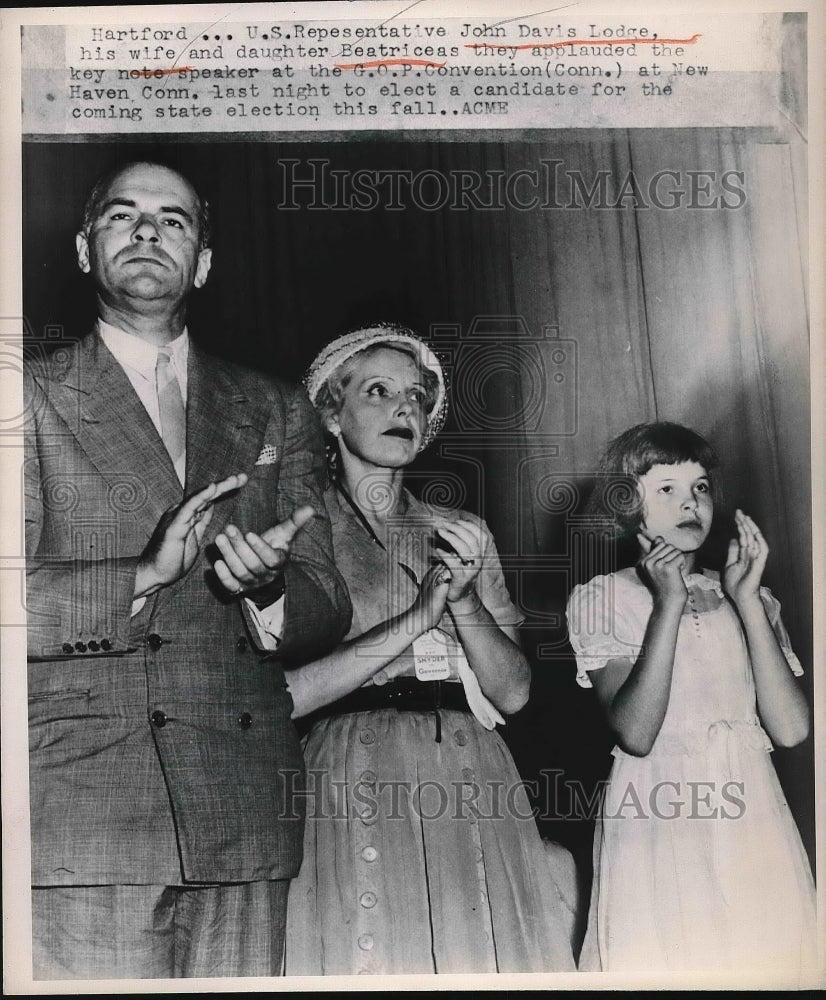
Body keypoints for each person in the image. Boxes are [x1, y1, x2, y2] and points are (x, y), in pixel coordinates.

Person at [24, 160, 351, 979]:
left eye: (173, 220)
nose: (146, 232)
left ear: (202, 261)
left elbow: (329, 605)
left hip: (242, 804)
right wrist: (139, 575)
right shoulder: (22, 397)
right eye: (122, 216)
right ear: (82, 248)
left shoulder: (276, 407)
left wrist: (270, 589)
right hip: (85, 807)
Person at [282, 325, 577, 975]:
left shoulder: (462, 532)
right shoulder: (295, 531)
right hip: (350, 768)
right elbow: (281, 695)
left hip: (469, 767)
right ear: (331, 412)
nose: (403, 409)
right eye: (379, 391)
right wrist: (417, 621)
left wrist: (465, 603)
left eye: (416, 396)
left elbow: (515, 692)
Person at [566, 422, 816, 973]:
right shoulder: (603, 598)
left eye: (700, 487)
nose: (691, 503)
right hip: (660, 813)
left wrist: (747, 600)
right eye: (667, 489)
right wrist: (670, 602)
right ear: (629, 504)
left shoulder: (753, 596)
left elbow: (792, 729)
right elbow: (635, 731)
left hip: (751, 807)